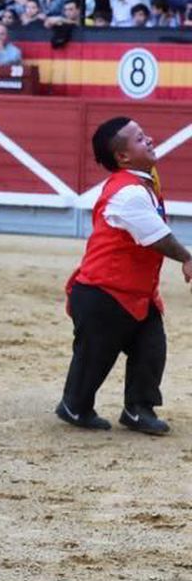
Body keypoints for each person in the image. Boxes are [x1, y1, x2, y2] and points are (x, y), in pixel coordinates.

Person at [58, 117, 192, 436]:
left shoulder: (140, 182)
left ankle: (138, 409)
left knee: (151, 348)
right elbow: (156, 237)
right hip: (102, 293)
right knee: (95, 356)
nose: (149, 140)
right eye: (140, 139)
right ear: (123, 156)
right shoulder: (129, 192)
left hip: (135, 292)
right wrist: (187, 258)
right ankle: (75, 406)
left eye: (145, 134)